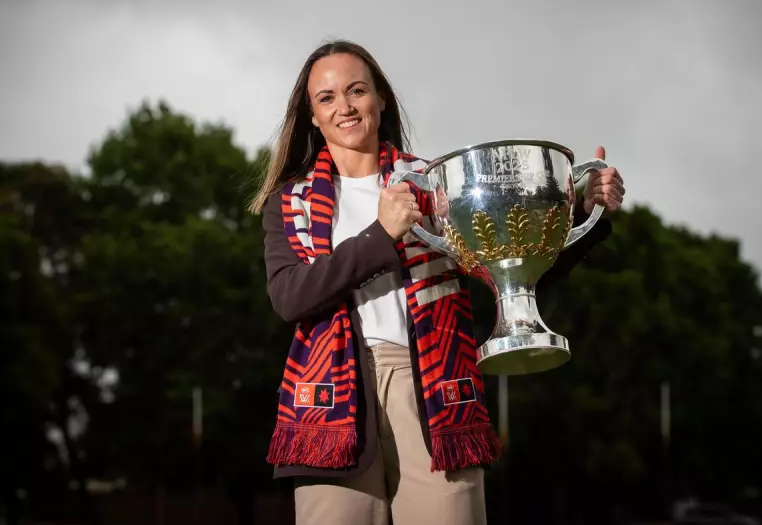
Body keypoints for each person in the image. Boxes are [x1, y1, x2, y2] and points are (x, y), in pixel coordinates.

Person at [249, 39, 626, 525]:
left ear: (380, 99)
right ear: (313, 116)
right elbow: (290, 297)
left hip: (431, 386)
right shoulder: (288, 202)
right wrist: (380, 235)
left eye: (356, 90)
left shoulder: (437, 186)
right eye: (327, 98)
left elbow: (507, 273)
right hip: (330, 401)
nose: (344, 106)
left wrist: (580, 210)